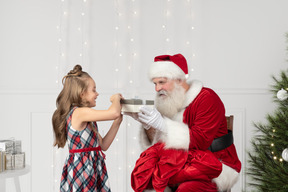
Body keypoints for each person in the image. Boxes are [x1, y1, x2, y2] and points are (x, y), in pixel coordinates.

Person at [128, 54, 241, 192]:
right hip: (179, 161)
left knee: (186, 189)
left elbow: (201, 141)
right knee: (149, 182)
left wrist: (163, 125)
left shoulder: (207, 98)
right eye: (155, 83)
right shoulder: (169, 100)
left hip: (215, 164)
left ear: (179, 80)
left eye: (162, 82)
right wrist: (147, 125)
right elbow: (160, 144)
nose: (157, 89)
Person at [52, 65, 123, 192]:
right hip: (83, 170)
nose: (97, 94)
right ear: (82, 93)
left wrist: (117, 122)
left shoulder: (87, 116)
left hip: (93, 169)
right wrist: (115, 98)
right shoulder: (79, 113)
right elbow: (114, 113)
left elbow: (103, 146)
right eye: (94, 90)